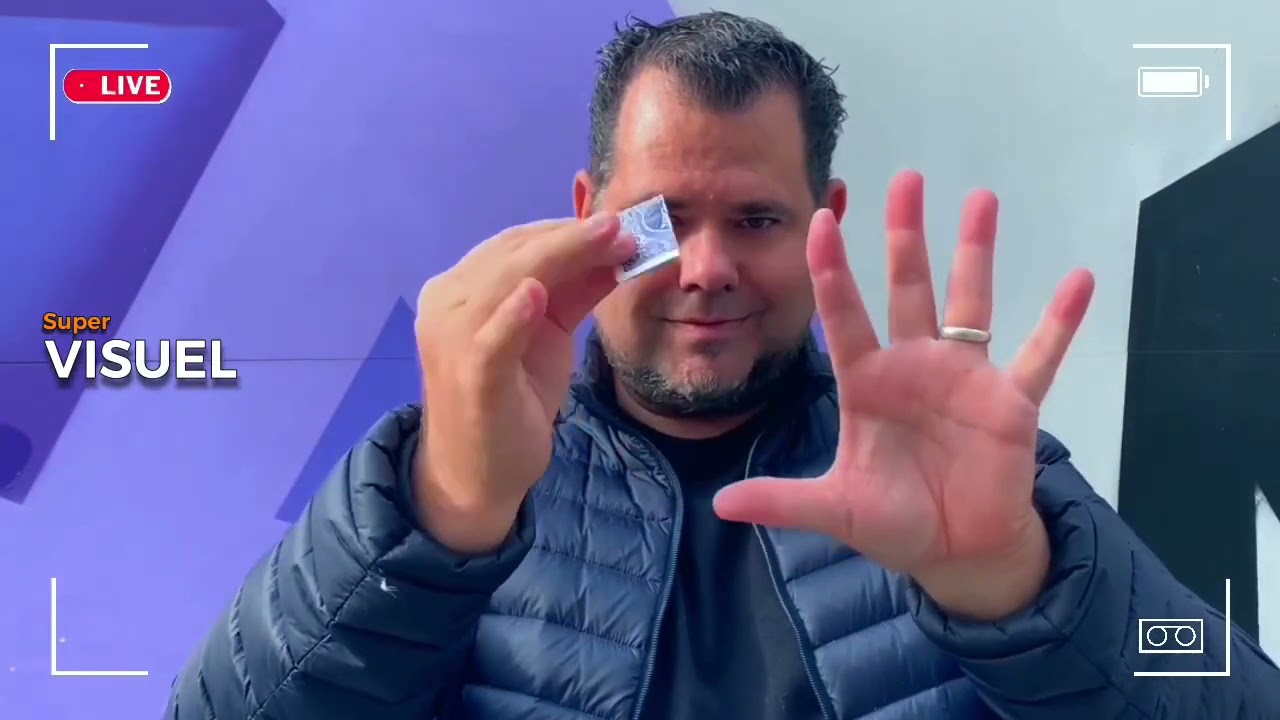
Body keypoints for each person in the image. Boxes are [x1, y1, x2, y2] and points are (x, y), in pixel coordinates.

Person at [167, 11, 1280, 720]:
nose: (704, 269)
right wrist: (444, 516)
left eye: (755, 219)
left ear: (824, 220)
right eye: (659, 221)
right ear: (587, 211)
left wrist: (1016, 588)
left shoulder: (965, 469)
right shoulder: (454, 475)